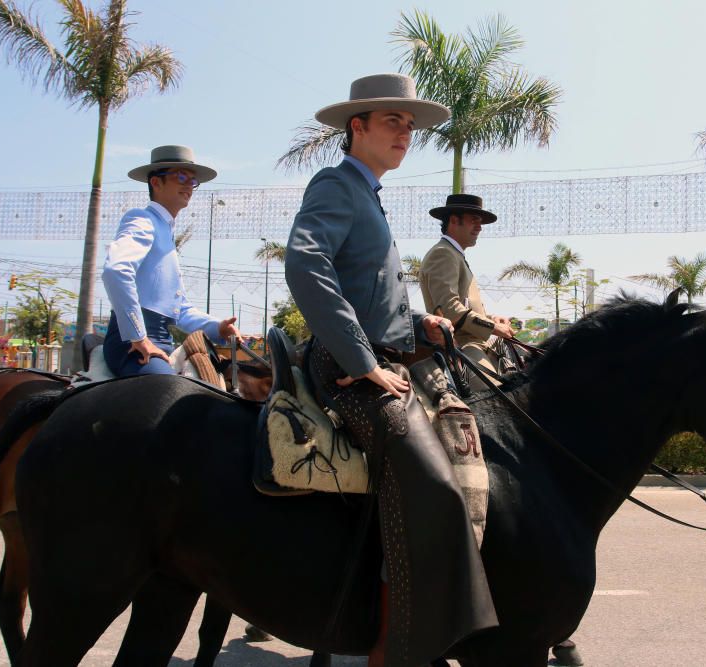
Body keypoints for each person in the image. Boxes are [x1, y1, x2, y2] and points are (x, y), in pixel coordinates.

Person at [285, 73, 497, 667]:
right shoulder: (336, 184)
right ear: (358, 128)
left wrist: (421, 322)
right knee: (433, 486)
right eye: (392, 121)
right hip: (346, 368)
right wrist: (363, 362)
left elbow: (371, 291)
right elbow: (305, 264)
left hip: (381, 357)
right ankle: (394, 649)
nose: (406, 133)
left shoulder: (368, 194)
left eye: (410, 125)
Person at [101, 145, 239, 377]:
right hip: (131, 345)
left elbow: (181, 310)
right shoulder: (142, 219)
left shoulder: (166, 231)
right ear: (156, 182)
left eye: (193, 181)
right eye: (181, 176)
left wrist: (218, 327)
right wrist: (138, 336)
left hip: (162, 341)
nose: (189, 186)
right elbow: (116, 270)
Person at [419, 194, 515, 373]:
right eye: (474, 220)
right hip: (460, 346)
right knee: (495, 395)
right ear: (454, 221)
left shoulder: (454, 255)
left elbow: (464, 306)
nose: (479, 228)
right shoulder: (443, 253)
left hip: (475, 342)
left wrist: (490, 318)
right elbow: (449, 309)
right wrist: (493, 327)